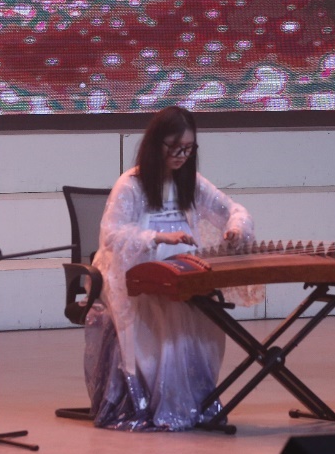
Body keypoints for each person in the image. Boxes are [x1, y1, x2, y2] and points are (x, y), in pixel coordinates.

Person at [85, 105, 257, 430]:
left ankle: (194, 402)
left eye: (188, 149)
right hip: (135, 272)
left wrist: (235, 227)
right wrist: (158, 237)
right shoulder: (131, 184)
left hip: (181, 272)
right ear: (156, 144)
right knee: (163, 315)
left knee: (201, 317)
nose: (182, 156)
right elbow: (111, 235)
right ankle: (157, 403)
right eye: (175, 148)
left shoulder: (190, 181)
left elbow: (231, 209)